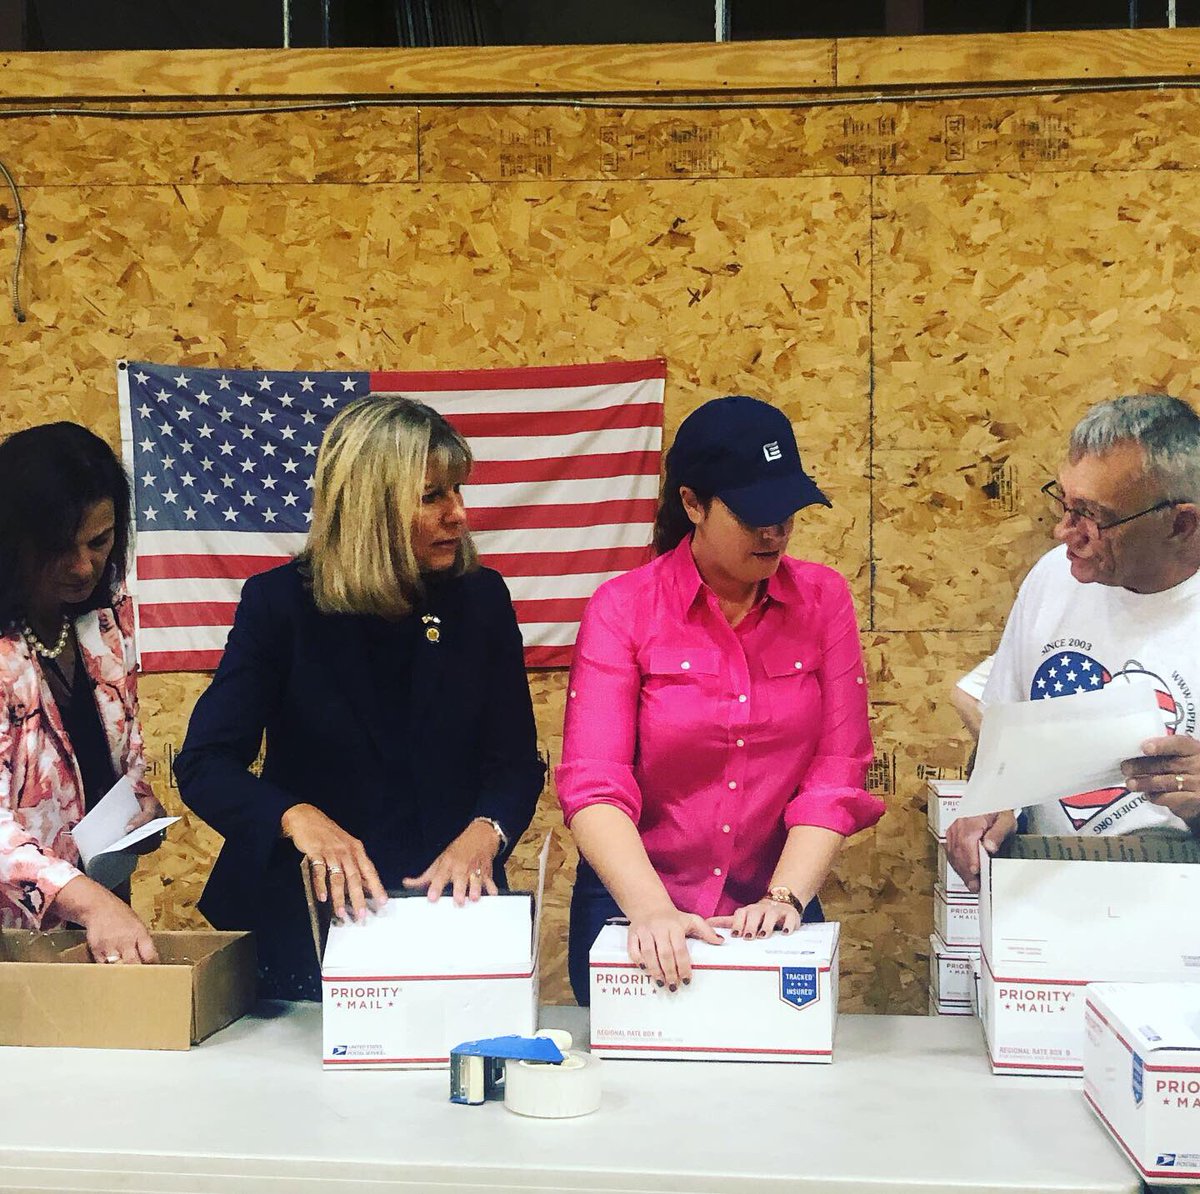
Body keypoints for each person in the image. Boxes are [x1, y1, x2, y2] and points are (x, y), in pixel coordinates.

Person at [175, 396, 545, 1000]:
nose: (458, 514)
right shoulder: (280, 604)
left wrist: (488, 831)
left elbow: (515, 765)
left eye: (457, 491)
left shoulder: (481, 600)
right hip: (308, 919)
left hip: (448, 911)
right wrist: (296, 818)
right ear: (371, 505)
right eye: (432, 497)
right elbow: (204, 763)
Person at [557, 395, 883, 1003]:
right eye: (753, 515)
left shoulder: (824, 600)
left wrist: (786, 897)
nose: (774, 532)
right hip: (636, 902)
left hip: (770, 904)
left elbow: (836, 770)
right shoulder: (623, 609)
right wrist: (652, 909)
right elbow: (595, 782)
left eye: (786, 512)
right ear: (693, 504)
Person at [946, 394, 1200, 892]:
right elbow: (1001, 736)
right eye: (1065, 503)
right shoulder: (1053, 578)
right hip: (1054, 885)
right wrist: (989, 803)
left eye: (1091, 516)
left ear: (1180, 524)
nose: (1064, 531)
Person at [0, 422, 164, 964]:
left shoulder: (107, 619)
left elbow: (120, 755)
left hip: (96, 913)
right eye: (57, 548)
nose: (83, 567)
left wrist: (140, 810)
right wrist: (88, 901)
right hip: (18, 938)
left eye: (100, 541)